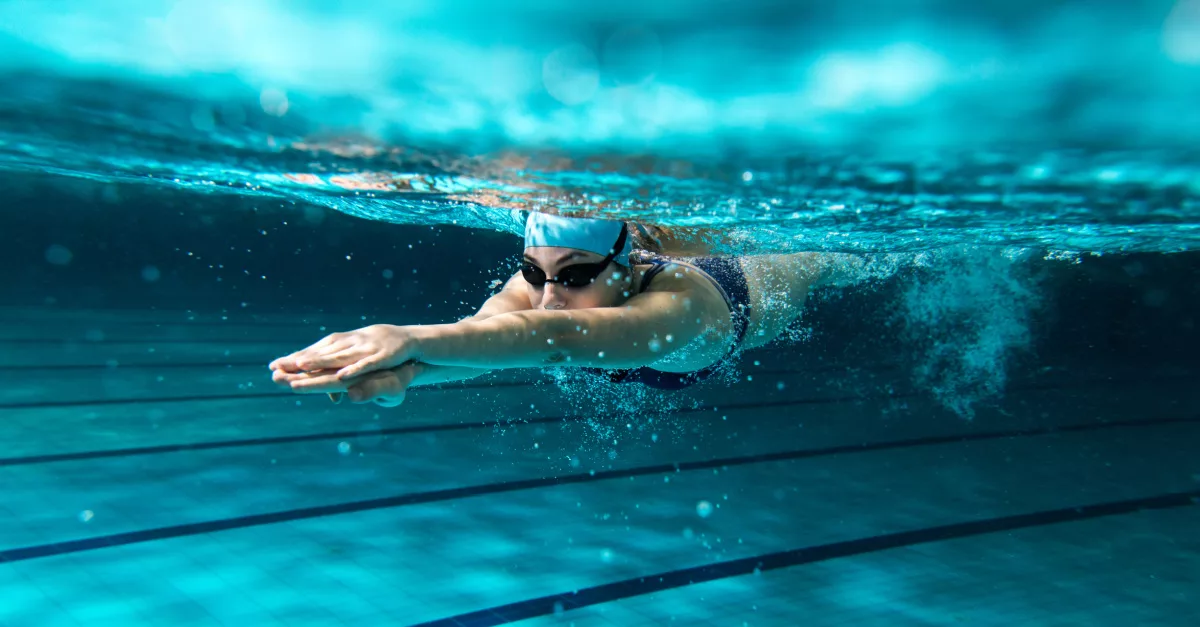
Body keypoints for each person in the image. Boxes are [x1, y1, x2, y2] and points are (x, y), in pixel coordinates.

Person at [269, 212, 857, 406]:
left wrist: (406, 337)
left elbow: (556, 339)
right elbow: (483, 338)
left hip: (751, 285)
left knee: (829, 260)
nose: (548, 296)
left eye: (575, 276)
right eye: (533, 272)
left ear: (624, 268)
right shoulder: (542, 287)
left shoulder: (682, 308)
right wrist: (406, 376)